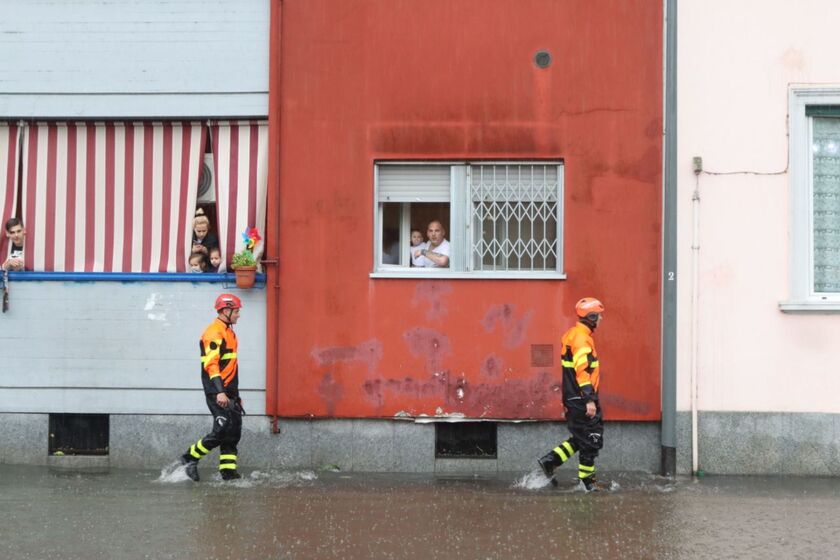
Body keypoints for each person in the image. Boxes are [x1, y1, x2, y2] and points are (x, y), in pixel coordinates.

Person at [537, 297, 607, 492]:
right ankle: (588, 483)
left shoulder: (574, 335)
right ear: (591, 317)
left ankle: (551, 461)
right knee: (591, 438)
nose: (601, 319)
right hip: (581, 398)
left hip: (574, 397)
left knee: (581, 437)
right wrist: (589, 399)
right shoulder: (581, 339)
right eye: (599, 316)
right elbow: (582, 371)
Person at [179, 293, 245, 481]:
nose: (239, 314)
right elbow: (212, 365)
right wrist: (220, 392)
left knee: (234, 431)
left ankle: (228, 472)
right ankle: (189, 457)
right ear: (226, 311)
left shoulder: (229, 331)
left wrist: (235, 396)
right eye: (237, 311)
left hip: (229, 392)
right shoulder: (214, 332)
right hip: (217, 392)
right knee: (222, 430)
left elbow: (230, 367)